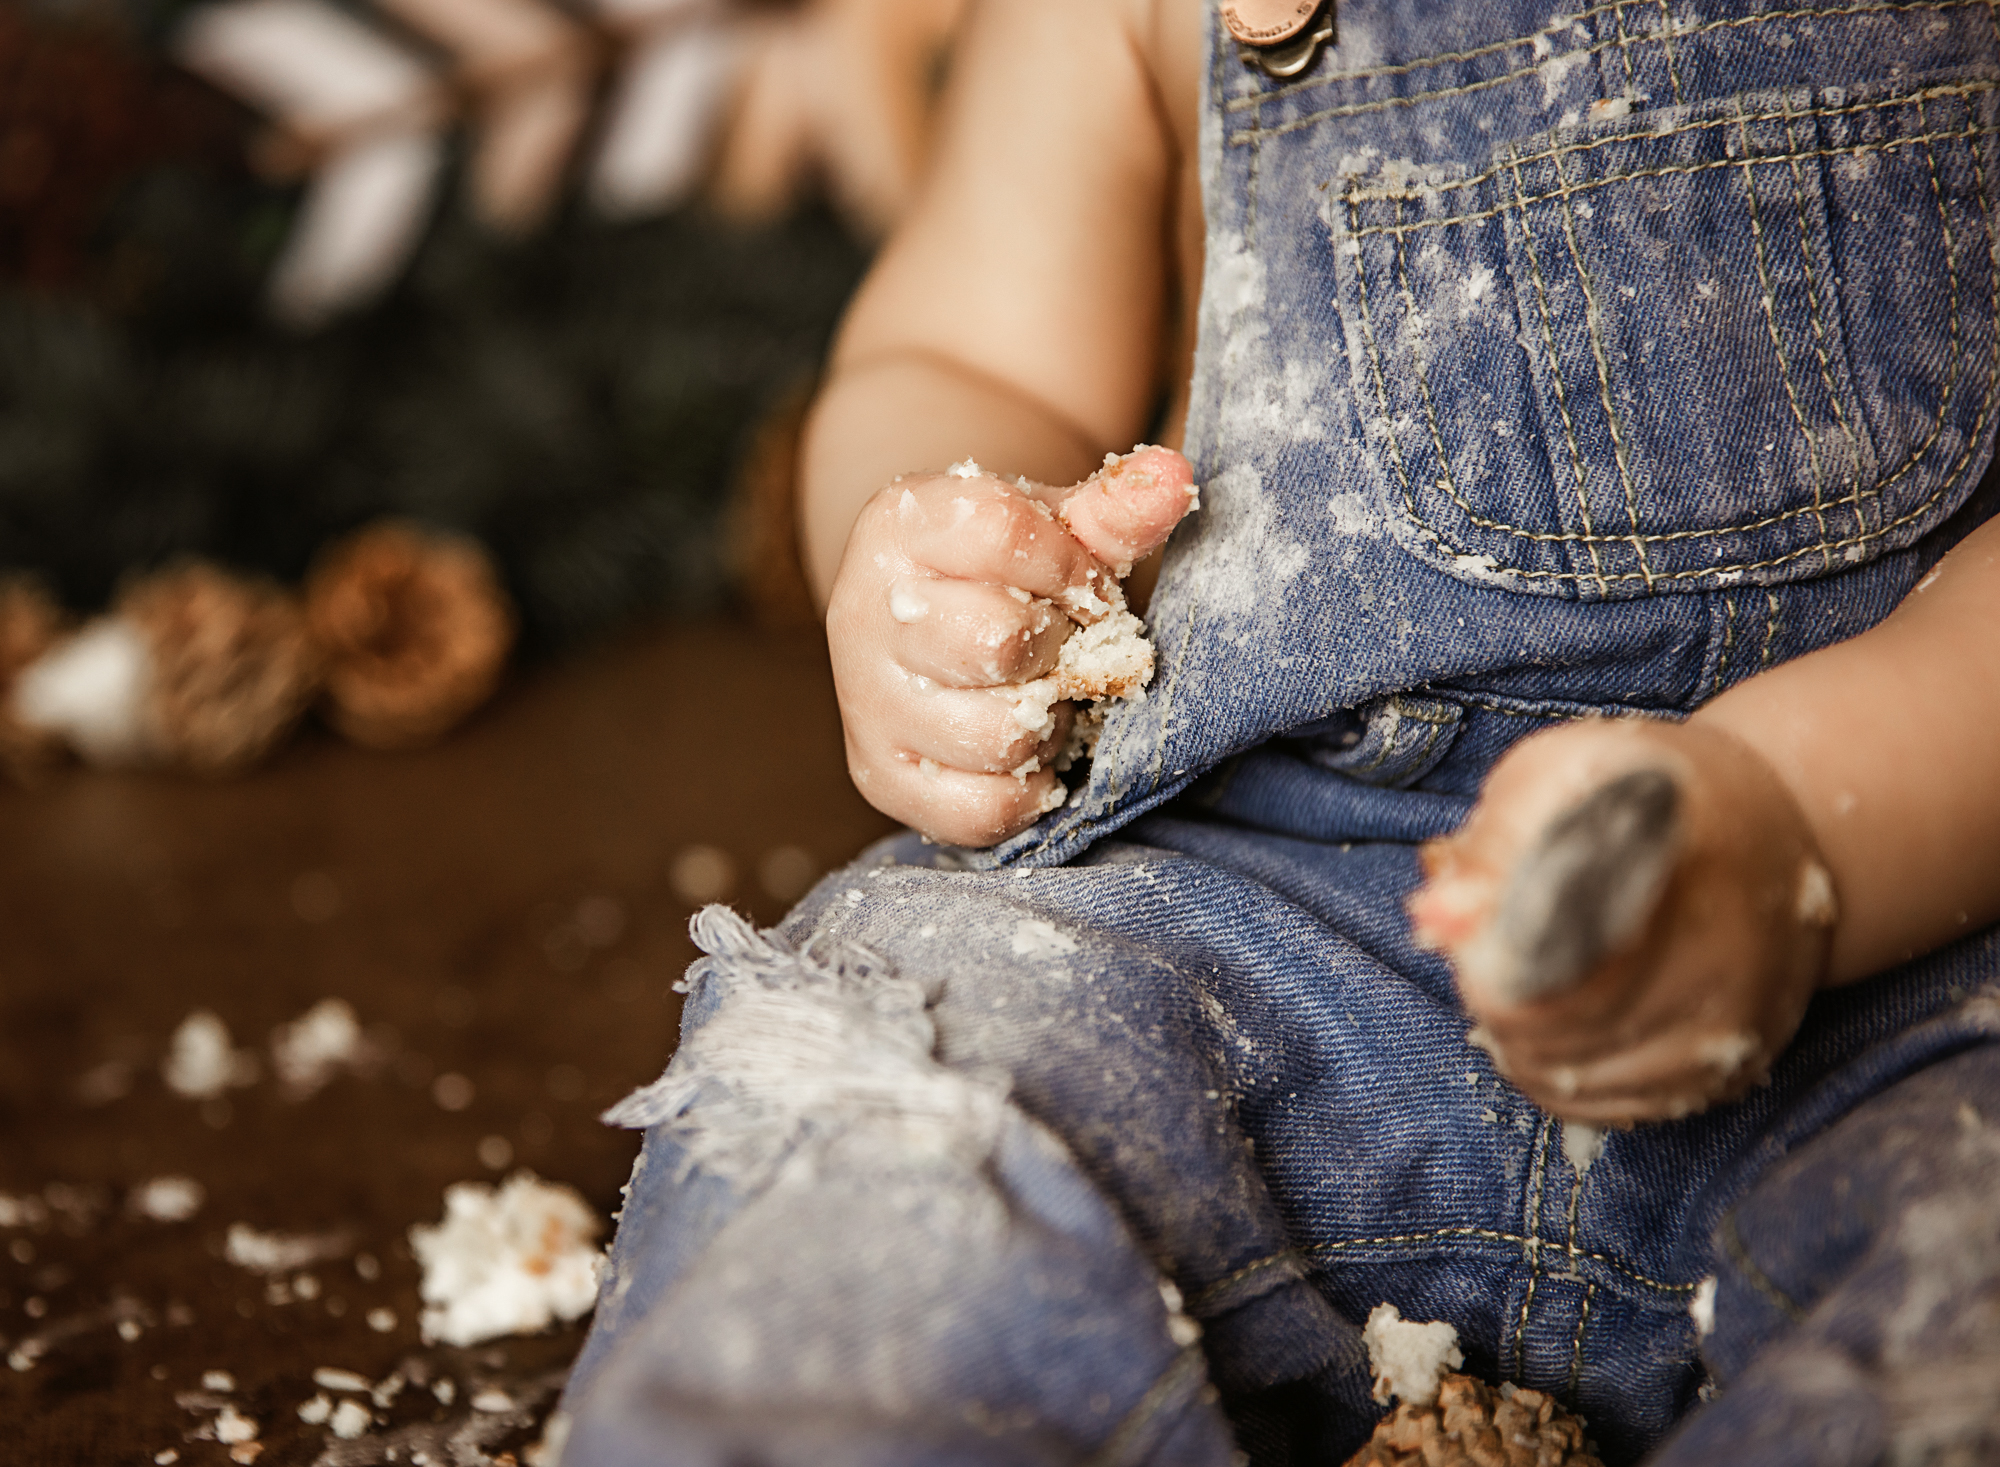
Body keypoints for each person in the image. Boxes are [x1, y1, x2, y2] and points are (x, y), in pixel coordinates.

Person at [555, 1, 2000, 1462]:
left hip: (1905, 961)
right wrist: (950, 565)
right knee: (903, 1024)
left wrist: (1801, 820)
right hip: (1267, 926)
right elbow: (965, 352)